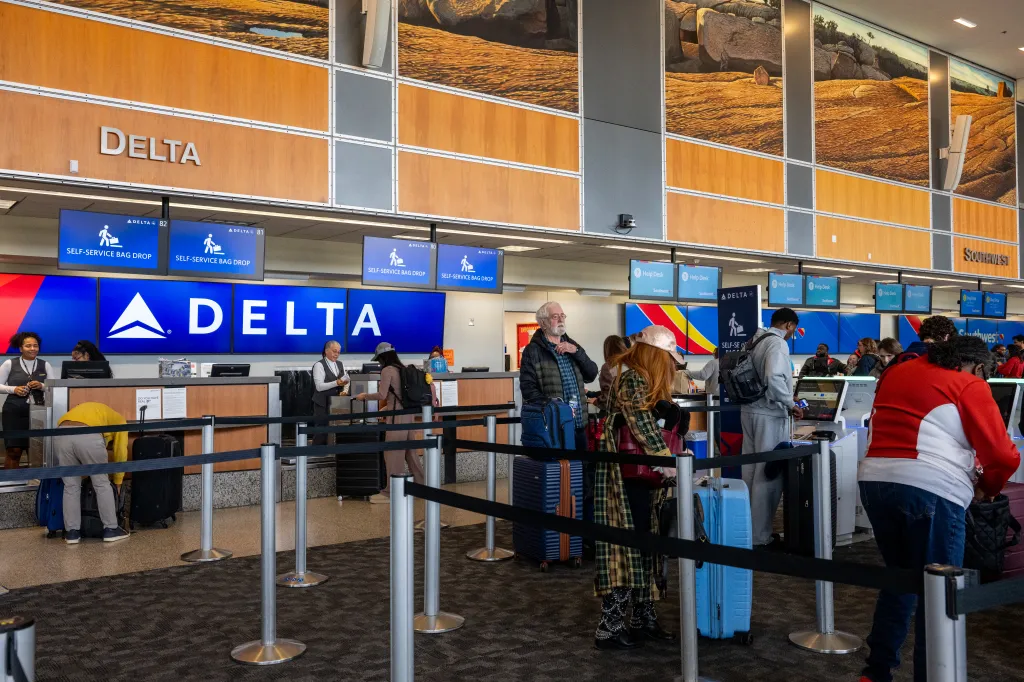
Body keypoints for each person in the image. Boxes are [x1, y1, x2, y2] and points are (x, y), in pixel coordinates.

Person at [857, 336, 1020, 682]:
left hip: (873, 481)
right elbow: (1004, 455)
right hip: (932, 488)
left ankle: (877, 671)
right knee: (941, 591)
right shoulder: (968, 383)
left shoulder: (899, 372)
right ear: (978, 367)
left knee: (900, 577)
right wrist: (986, 489)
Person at [594, 325, 682, 650]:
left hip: (643, 476)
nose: (671, 366)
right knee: (626, 546)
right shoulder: (632, 378)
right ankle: (610, 627)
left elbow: (648, 422)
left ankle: (643, 619)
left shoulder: (638, 378)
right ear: (657, 355)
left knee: (646, 545)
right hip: (627, 477)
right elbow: (641, 424)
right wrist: (670, 461)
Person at [741, 308, 802, 548]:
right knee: (768, 474)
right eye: (793, 329)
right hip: (770, 414)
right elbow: (775, 377)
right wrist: (790, 403)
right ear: (788, 325)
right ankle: (760, 535)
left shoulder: (755, 340)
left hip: (749, 411)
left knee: (749, 471)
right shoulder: (777, 344)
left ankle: (745, 529)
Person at [355, 342, 429, 504]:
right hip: (409, 417)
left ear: (382, 357)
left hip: (396, 418)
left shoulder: (387, 370)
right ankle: (422, 487)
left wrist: (364, 396)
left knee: (392, 454)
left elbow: (382, 394)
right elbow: (399, 396)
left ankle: (391, 492)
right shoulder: (401, 368)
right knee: (410, 454)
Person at [519, 302, 599, 450]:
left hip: (579, 425)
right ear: (543, 323)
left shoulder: (572, 346)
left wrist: (577, 352)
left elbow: (592, 374)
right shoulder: (533, 351)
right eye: (555, 317)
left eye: (563, 316)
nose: (561, 320)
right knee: (558, 471)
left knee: (581, 470)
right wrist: (555, 408)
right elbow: (528, 389)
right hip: (553, 426)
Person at [56, 402, 131, 544]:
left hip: (61, 433)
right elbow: (121, 453)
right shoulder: (121, 421)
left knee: (70, 486)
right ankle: (111, 529)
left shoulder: (95, 410)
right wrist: (118, 482)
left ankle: (72, 533)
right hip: (89, 433)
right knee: (102, 483)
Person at [1, 332, 54, 471]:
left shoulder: (45, 364)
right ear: (20, 348)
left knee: (37, 452)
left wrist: (42, 386)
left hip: (39, 412)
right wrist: (14, 389)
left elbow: (54, 387)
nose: (32, 349)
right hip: (14, 412)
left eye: (35, 346)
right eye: (28, 346)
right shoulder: (9, 363)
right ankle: (11, 487)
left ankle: (35, 486)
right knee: (14, 451)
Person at [311, 340, 348, 446]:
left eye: (339, 352)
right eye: (334, 351)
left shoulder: (340, 364)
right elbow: (319, 387)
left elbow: (346, 380)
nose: (337, 354)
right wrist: (336, 383)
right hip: (322, 403)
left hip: (336, 403)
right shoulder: (319, 365)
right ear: (326, 351)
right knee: (321, 431)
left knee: (335, 431)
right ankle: (316, 453)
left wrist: (345, 390)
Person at [597, 335, 627, 407]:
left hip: (617, 412)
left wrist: (596, 401)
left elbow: (610, 394)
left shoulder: (608, 366)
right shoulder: (631, 363)